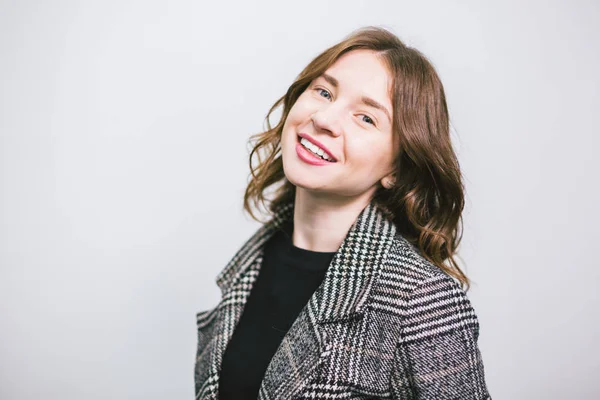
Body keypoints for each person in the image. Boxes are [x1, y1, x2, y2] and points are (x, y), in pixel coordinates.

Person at [194, 26, 490, 400]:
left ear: (397, 169)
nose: (325, 119)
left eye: (366, 118)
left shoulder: (420, 298)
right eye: (323, 92)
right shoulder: (254, 258)